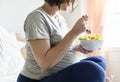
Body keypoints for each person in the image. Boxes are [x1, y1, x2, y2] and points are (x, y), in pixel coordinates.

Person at [17, 0, 107, 82]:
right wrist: (73, 33)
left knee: (100, 61)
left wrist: (76, 48)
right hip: (39, 78)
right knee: (95, 71)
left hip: (59, 72)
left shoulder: (60, 19)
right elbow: (45, 63)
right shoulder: (36, 18)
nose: (72, 3)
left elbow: (60, 46)